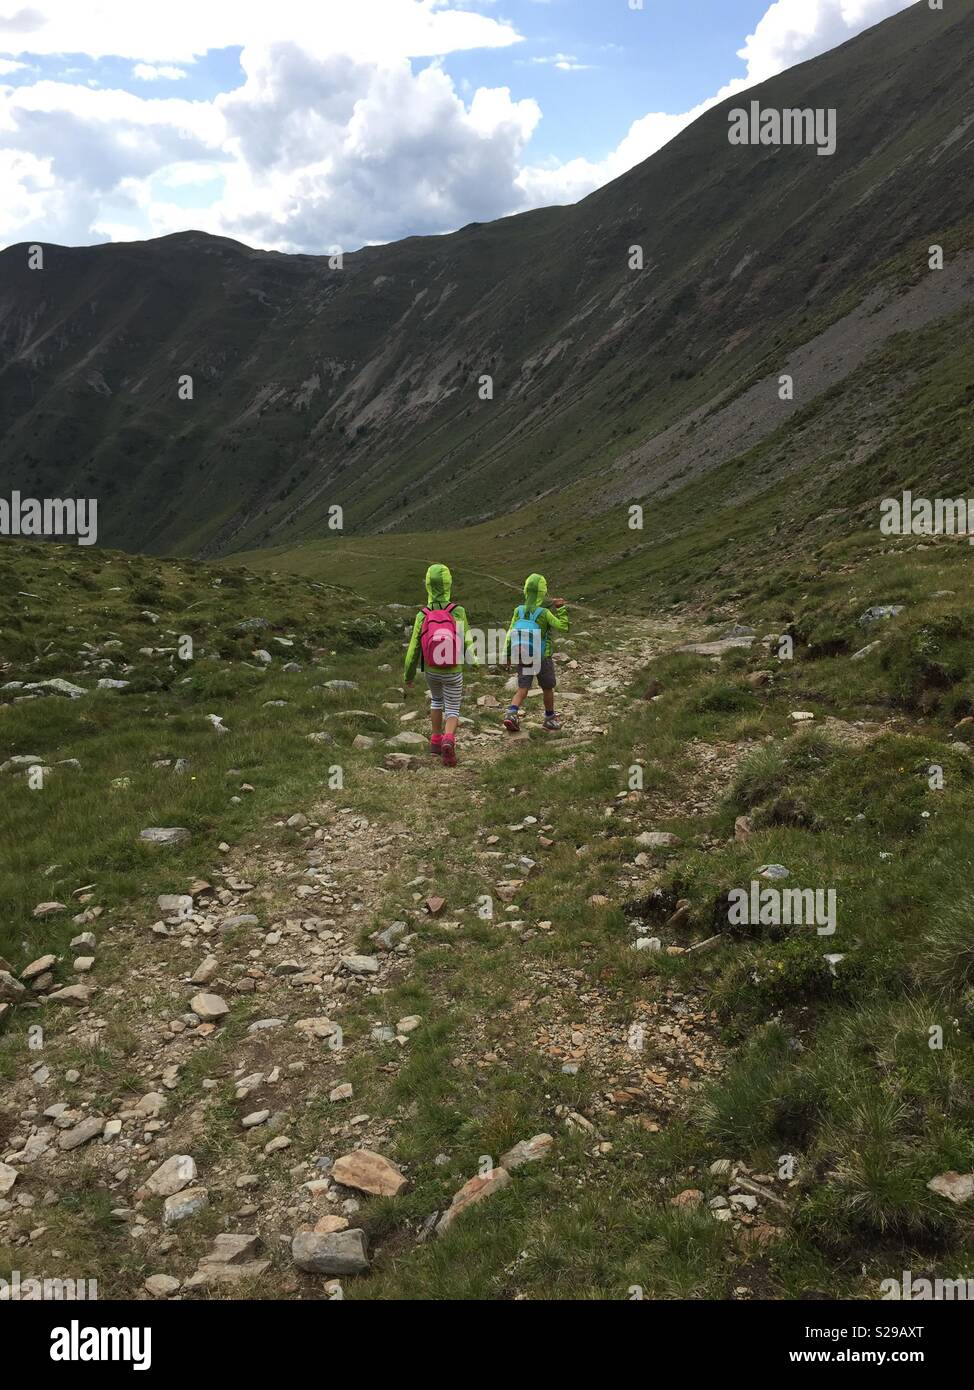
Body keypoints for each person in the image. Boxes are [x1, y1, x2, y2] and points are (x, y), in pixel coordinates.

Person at [403, 563, 476, 767]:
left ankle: (435, 741)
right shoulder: (458, 611)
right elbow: (467, 639)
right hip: (453, 669)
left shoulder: (422, 615)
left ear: (427, 585)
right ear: (448, 584)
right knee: (452, 707)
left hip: (431, 670)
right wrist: (475, 662)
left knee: (436, 700)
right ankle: (448, 739)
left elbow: (413, 649)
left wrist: (408, 675)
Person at [502, 573, 569, 732]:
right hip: (542, 657)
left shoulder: (518, 611)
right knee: (547, 688)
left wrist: (507, 654)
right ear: (542, 592)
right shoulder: (544, 613)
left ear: (526, 590)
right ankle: (549, 719)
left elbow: (511, 632)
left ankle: (511, 713)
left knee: (522, 688)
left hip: (523, 654)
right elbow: (563, 627)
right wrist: (561, 609)